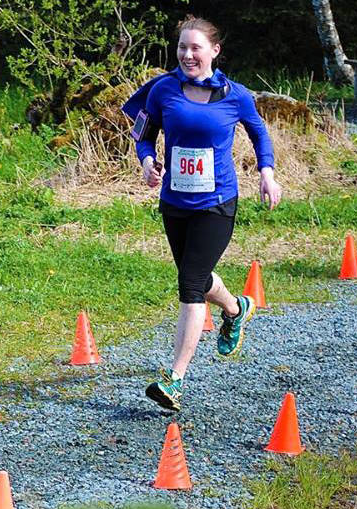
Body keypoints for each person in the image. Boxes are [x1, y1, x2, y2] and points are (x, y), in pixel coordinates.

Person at [121, 15, 282, 412]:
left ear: (214, 51)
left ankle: (174, 380)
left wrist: (266, 173)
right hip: (175, 203)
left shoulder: (235, 95)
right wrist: (147, 163)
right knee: (196, 276)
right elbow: (143, 134)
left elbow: (259, 133)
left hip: (217, 203)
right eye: (182, 47)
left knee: (190, 284)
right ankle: (236, 308)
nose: (188, 54)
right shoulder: (163, 89)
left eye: (196, 48)